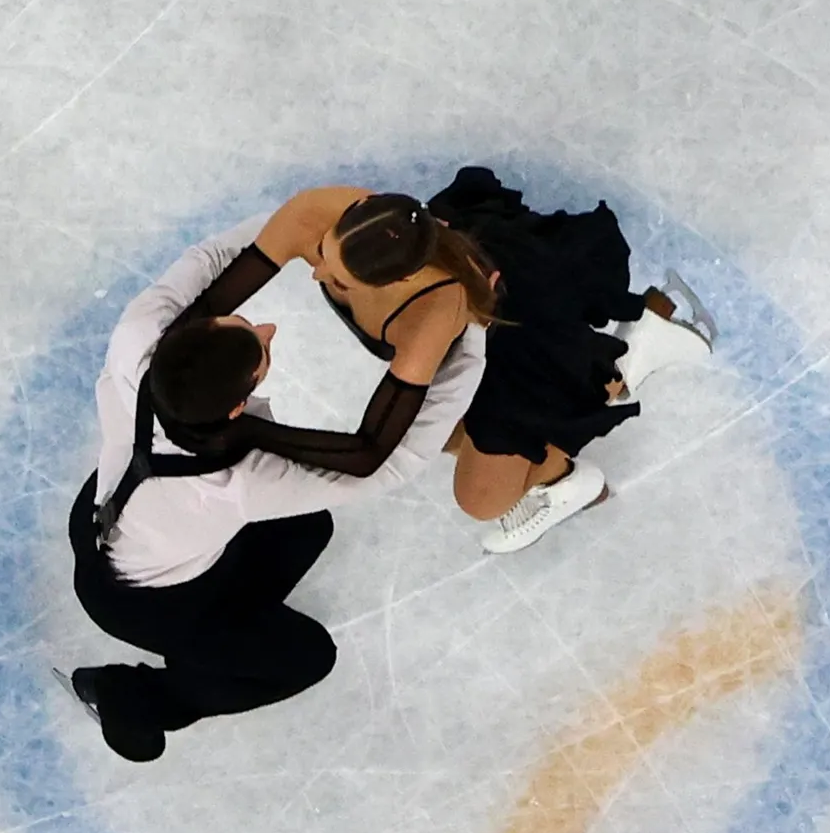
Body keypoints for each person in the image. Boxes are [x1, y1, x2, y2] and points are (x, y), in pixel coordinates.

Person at [62, 214, 485, 762]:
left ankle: (224, 628)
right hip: (148, 606)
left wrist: (313, 222)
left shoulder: (137, 339)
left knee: (307, 528)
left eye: (246, 325)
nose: (268, 329)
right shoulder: (242, 482)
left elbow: (210, 260)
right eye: (260, 350)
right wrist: (470, 335)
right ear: (236, 408)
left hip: (102, 519)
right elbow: (391, 462)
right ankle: (139, 700)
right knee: (307, 658)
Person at [183, 168, 713, 554]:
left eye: (340, 280)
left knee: (481, 499)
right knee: (439, 431)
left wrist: (249, 432)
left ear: (400, 280)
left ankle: (601, 413)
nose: (318, 274)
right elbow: (213, 301)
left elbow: (371, 451)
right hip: (476, 332)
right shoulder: (315, 213)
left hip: (519, 353)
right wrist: (172, 374)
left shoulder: (433, 311)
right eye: (324, 251)